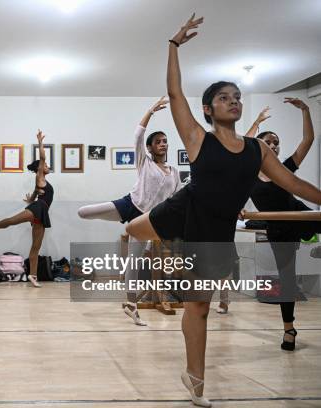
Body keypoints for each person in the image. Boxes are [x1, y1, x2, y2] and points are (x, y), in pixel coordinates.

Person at [125, 15, 321, 407]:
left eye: (236, 97)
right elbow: (175, 94)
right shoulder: (198, 138)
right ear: (209, 109)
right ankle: (127, 221)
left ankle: (194, 381)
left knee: (199, 307)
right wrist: (173, 45)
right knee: (132, 230)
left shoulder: (257, 150)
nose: (233, 101)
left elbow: (294, 185)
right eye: (224, 98)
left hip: (213, 234)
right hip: (182, 210)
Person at [78, 96, 180, 325]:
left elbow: (176, 199)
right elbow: (138, 135)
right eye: (158, 141)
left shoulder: (174, 172)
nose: (163, 144)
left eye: (165, 141)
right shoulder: (145, 162)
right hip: (129, 205)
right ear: (150, 147)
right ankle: (121, 221)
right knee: (83, 212)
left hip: (148, 219)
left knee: (133, 263)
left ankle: (131, 305)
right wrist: (151, 111)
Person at [247, 100, 319, 350]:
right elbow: (240, 147)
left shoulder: (285, 168)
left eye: (277, 142)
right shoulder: (248, 174)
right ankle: (289, 330)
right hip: (279, 230)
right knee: (287, 281)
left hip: (298, 216)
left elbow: (307, 142)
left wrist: (306, 110)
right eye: (269, 141)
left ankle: (317, 245)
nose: (274, 146)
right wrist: (256, 124)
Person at [0, 130, 53, 288]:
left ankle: (33, 276)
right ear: (40, 167)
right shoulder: (40, 175)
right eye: (44, 165)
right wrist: (40, 142)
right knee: (11, 221)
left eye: (45, 165)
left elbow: (35, 194)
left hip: (42, 211)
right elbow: (43, 158)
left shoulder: (41, 181)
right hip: (38, 208)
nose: (47, 166)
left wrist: (30, 199)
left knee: (35, 248)